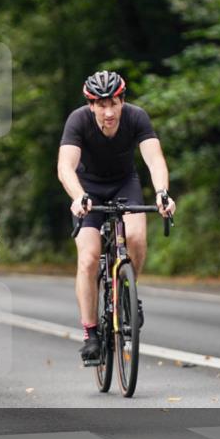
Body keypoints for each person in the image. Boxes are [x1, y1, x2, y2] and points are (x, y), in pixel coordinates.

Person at [56, 70, 176, 367]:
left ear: (123, 101)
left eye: (114, 103)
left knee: (135, 237)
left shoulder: (137, 118)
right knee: (88, 258)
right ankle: (91, 334)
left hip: (125, 183)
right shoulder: (78, 120)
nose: (109, 112)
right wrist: (77, 196)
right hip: (88, 189)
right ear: (91, 105)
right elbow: (65, 167)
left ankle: (127, 292)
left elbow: (154, 159)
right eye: (101, 105)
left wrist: (162, 192)